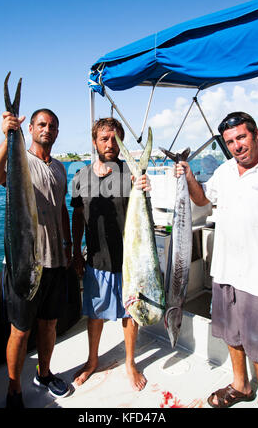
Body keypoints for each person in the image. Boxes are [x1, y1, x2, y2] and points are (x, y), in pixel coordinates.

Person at [175, 111, 258, 408]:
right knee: (232, 334)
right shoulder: (226, 171)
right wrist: (189, 175)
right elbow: (203, 200)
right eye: (230, 141)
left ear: (255, 135)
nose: (237, 146)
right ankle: (241, 385)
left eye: (241, 137)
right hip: (226, 270)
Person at [0, 109, 72, 408]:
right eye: (42, 124)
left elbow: (60, 209)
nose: (48, 129)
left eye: (53, 126)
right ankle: (13, 389)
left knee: (49, 325)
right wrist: (9, 136)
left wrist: (69, 245)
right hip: (23, 264)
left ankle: (43, 375)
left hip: (55, 261)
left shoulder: (60, 168)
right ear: (31, 128)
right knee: (20, 330)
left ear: (57, 133)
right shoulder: (20, 162)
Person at [71, 117, 149, 391]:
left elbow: (142, 213)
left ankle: (130, 362)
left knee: (131, 313)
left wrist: (144, 187)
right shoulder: (80, 177)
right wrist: (75, 251)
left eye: (115, 139)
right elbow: (78, 215)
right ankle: (92, 360)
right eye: (104, 139)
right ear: (94, 142)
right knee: (95, 314)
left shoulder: (131, 174)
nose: (110, 144)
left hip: (129, 262)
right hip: (95, 259)